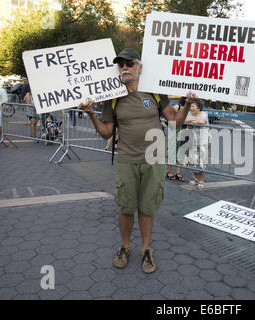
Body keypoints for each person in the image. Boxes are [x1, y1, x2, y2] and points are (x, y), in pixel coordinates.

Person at [79, 48, 194, 273]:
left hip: (154, 159)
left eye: (129, 63)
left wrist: (188, 104)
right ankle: (124, 246)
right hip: (127, 160)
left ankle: (145, 249)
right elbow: (106, 133)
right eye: (120, 64)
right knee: (125, 207)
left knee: (147, 208)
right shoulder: (112, 97)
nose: (124, 68)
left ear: (139, 68)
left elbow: (174, 121)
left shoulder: (154, 91)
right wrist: (91, 114)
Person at [185, 99, 209, 189]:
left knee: (201, 161)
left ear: (199, 108)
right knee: (192, 160)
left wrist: (194, 122)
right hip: (192, 140)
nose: (191, 108)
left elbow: (203, 121)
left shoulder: (204, 114)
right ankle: (196, 178)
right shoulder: (190, 114)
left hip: (202, 141)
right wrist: (192, 120)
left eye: (193, 106)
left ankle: (201, 180)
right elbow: (186, 119)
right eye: (191, 106)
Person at [166, 97, 187, 182]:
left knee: (181, 154)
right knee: (171, 153)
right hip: (174, 133)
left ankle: (178, 173)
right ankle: (169, 172)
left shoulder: (190, 110)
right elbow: (170, 118)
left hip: (184, 134)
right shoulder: (177, 107)